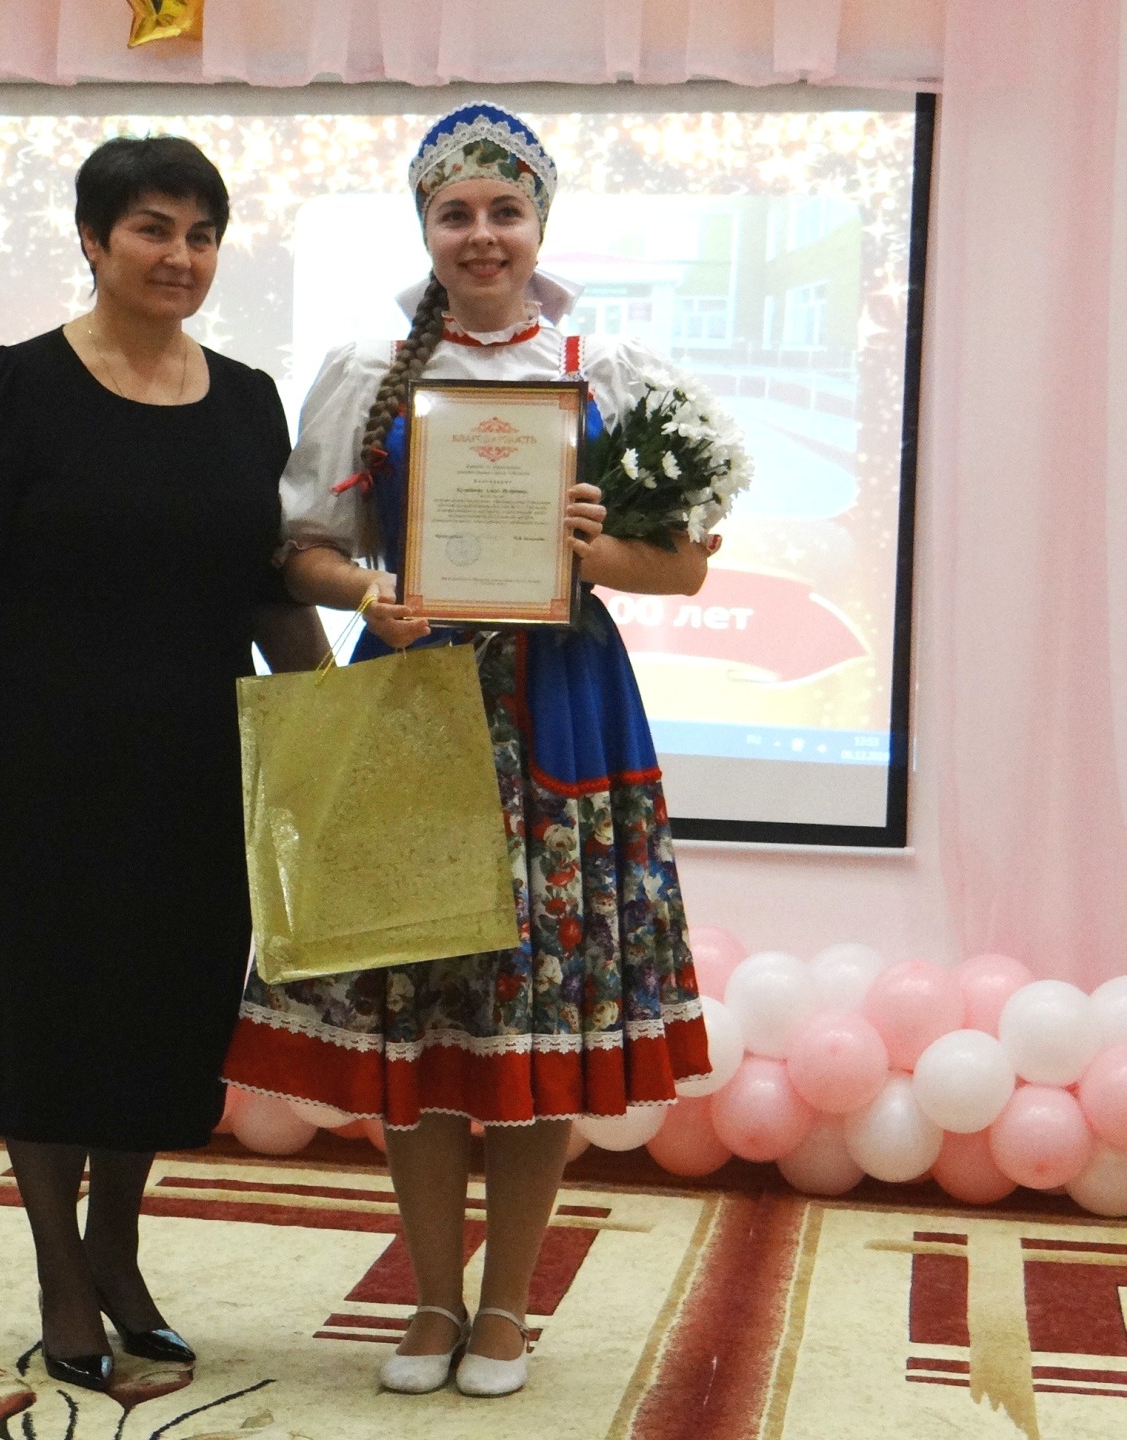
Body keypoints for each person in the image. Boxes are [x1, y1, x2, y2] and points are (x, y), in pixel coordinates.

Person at [222, 103, 713, 1399]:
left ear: (540, 222)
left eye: (505, 211)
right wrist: (368, 590)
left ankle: (507, 1310)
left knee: (532, 1028)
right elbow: (302, 552)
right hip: (414, 707)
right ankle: (432, 1299)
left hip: (562, 715)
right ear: (426, 228)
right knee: (422, 1026)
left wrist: (595, 547)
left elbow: (682, 566)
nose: (482, 234)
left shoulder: (613, 370)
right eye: (456, 213)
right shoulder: (366, 366)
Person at [0, 135, 326, 1392]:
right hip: (45, 761)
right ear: (93, 241)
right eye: (153, 229)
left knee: (161, 1015)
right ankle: (59, 1271)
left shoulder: (249, 401)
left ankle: (119, 1251)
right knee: (48, 1014)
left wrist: (341, 729)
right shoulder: (18, 386)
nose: (179, 256)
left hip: (198, 766)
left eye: (201, 235)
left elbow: (268, 594)